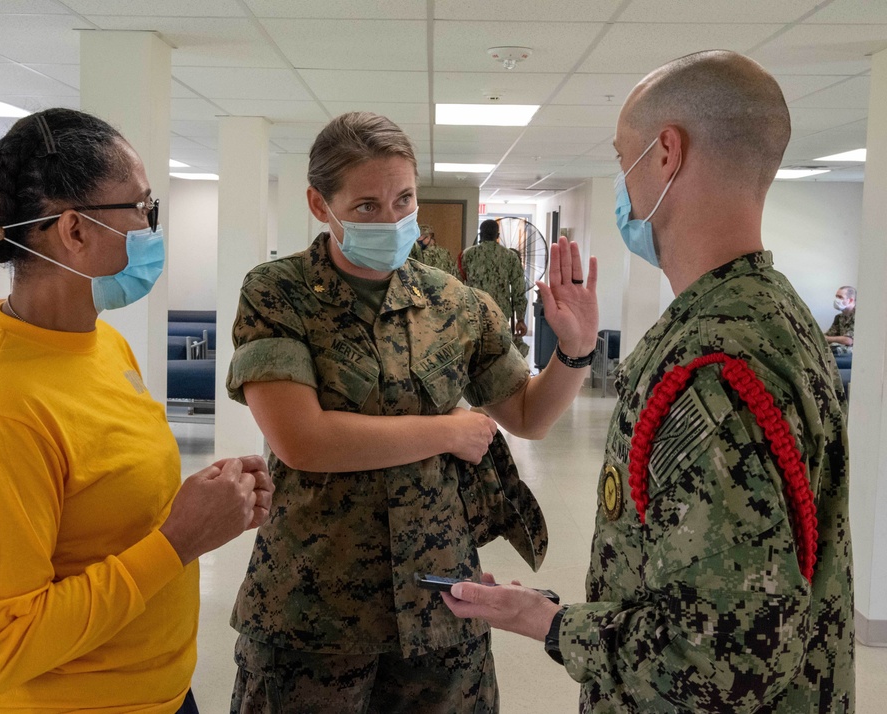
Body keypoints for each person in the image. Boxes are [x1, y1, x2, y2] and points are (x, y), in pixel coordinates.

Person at [443, 50, 855, 713]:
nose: (622, 182)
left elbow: (726, 658)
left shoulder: (704, 370)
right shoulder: (777, 315)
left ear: (665, 154)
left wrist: (545, 623)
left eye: (622, 156)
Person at [225, 111, 599, 712]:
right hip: (314, 607)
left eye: (404, 199)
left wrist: (575, 351)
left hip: (439, 598)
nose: (393, 219)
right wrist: (449, 431)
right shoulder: (277, 291)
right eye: (367, 205)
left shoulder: (451, 299)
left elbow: (528, 415)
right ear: (320, 205)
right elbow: (304, 440)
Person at [0, 108, 274, 713]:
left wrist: (204, 504)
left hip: (158, 693)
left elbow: (107, 510)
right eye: (141, 209)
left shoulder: (103, 343)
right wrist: (179, 538)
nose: (149, 227)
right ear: (75, 230)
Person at [461, 220, 531, 358]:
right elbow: (518, 290)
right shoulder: (510, 256)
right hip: (500, 313)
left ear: (480, 234)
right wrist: (520, 319)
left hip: (474, 311)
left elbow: (459, 283)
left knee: (475, 354)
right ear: (497, 235)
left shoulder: (467, 255)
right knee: (500, 355)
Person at [825, 285, 856, 355]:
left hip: (853, 354)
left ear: (850, 300)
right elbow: (829, 334)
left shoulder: (860, 316)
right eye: (836, 296)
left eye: (840, 297)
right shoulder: (839, 317)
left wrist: (827, 338)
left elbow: (849, 340)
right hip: (840, 351)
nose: (837, 299)